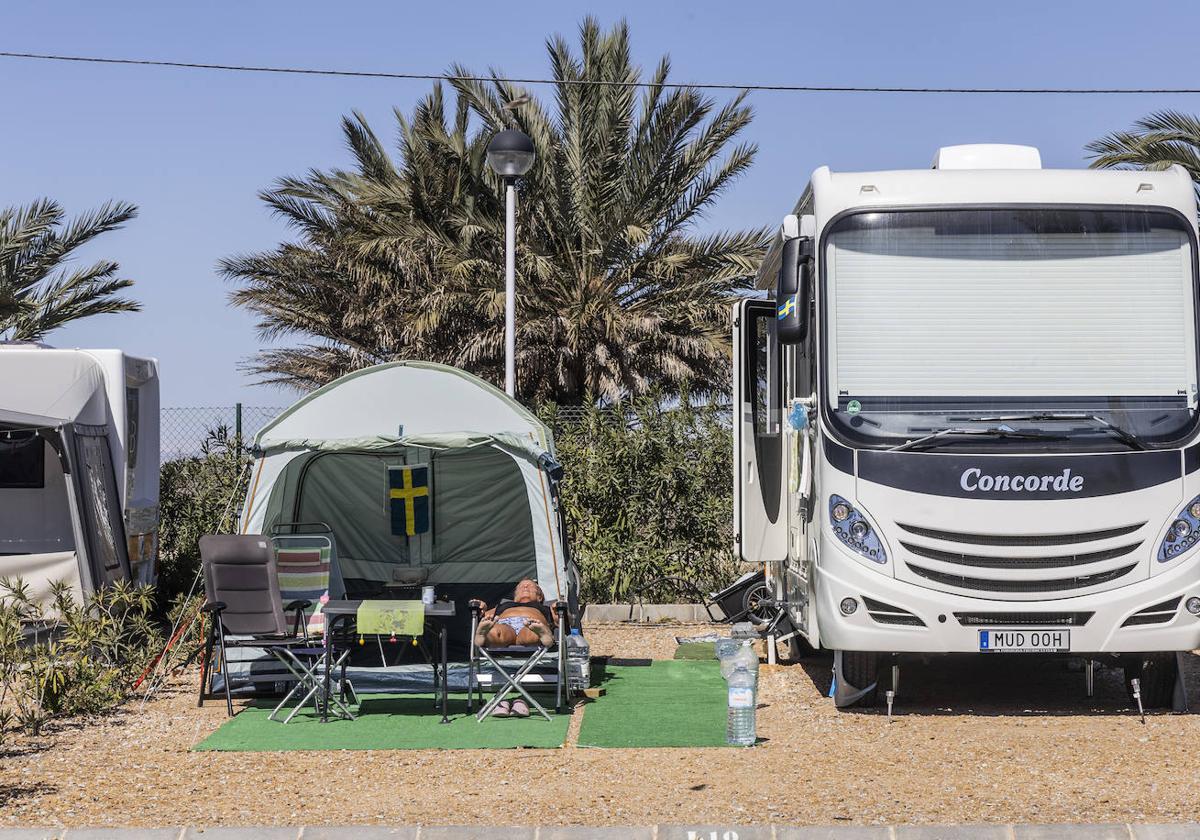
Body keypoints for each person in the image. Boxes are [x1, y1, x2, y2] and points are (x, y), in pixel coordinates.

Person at [471, 579, 559, 718]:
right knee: (496, 632)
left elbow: (561, 622)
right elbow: (486, 614)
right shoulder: (504, 605)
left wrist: (558, 610)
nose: (525, 586)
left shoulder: (545, 608)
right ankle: (483, 635)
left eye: (530, 586)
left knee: (530, 634)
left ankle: (543, 634)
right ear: (514, 595)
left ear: (540, 597)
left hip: (531, 623)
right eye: (521, 586)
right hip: (505, 624)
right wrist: (482, 608)